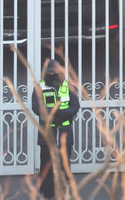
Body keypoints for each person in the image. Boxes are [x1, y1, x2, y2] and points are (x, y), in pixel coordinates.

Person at [32, 59, 79, 200]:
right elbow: (36, 107)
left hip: (65, 131)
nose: (53, 74)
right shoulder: (39, 87)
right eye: (50, 72)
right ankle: (47, 193)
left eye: (55, 72)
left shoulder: (68, 86)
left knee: (64, 165)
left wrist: (61, 114)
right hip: (47, 132)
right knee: (46, 164)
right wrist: (53, 113)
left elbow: (75, 106)